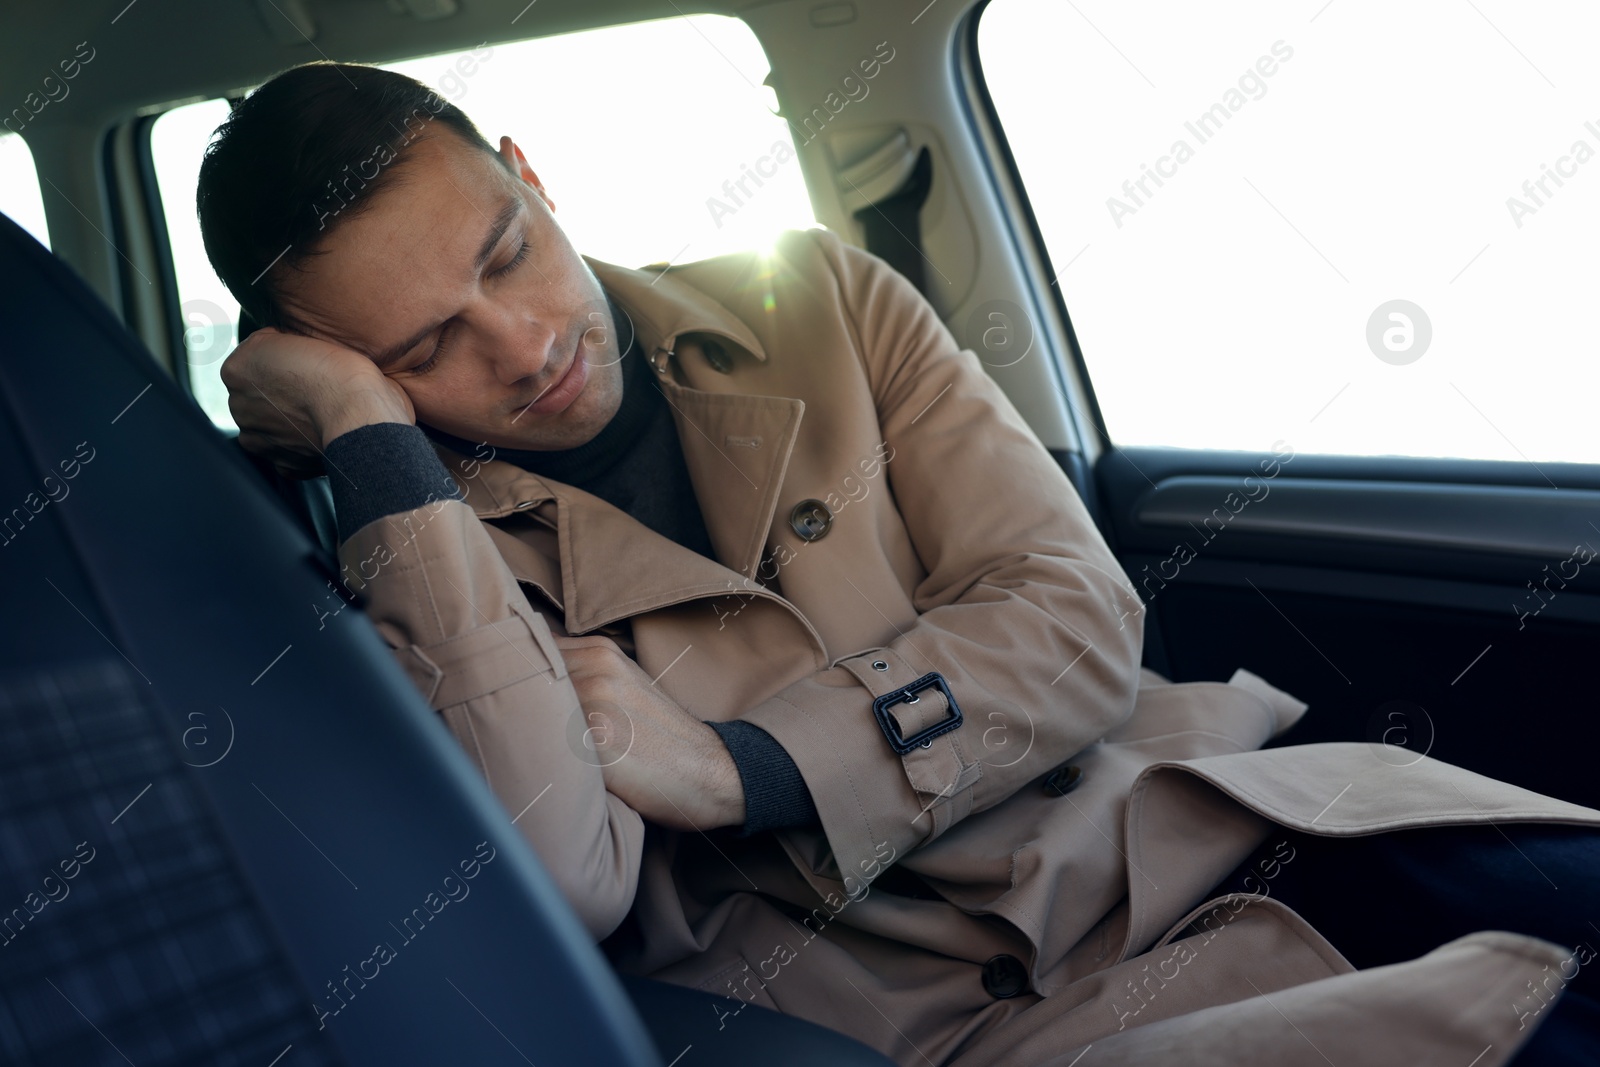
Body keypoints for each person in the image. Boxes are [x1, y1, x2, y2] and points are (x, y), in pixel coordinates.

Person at [198, 60, 1600, 1066]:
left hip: (1201, 822)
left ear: (535, 176)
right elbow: (560, 877)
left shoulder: (817, 300)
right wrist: (373, 444)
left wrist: (741, 768)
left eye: (509, 254)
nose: (521, 346)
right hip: (931, 1011)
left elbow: (1071, 616)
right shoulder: (396, 552)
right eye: (420, 349)